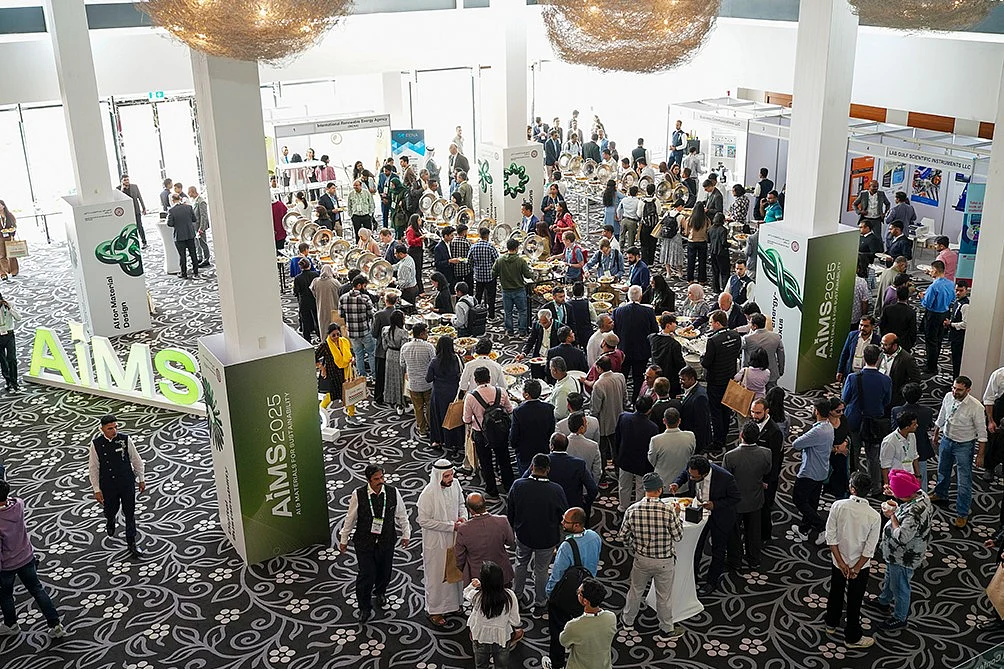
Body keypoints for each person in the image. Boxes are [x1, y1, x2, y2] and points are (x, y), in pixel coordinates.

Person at [338, 464, 411, 623]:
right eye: (376, 479)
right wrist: (344, 539)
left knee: (385, 571)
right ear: (369, 480)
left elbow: (402, 515)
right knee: (366, 574)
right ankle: (364, 607)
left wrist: (406, 534)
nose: (380, 481)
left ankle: (380, 591)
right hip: (364, 542)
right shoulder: (358, 495)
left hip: (386, 540)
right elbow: (350, 519)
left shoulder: (393, 492)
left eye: (382, 477)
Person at [618, 472, 686, 641]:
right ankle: (666, 629)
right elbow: (678, 536)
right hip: (664, 561)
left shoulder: (632, 509)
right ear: (660, 489)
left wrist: (634, 547)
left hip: (641, 559)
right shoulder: (668, 510)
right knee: (664, 597)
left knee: (635, 591)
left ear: (645, 489)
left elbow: (623, 536)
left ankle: (628, 621)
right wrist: (677, 515)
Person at [0, 479, 65, 637]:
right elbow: (15, 499)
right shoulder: (18, 505)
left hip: (6, 565)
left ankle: (11, 624)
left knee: (5, 595)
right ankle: (55, 624)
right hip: (26, 556)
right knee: (37, 589)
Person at [824, 471, 881, 649]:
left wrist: (841, 563)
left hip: (838, 560)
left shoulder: (838, 506)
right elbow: (870, 548)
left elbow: (830, 537)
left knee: (836, 591)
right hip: (860, 566)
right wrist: (856, 568)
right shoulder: (874, 516)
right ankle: (852, 637)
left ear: (852, 489)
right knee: (855, 600)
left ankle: (831, 623)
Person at [670, 455, 741, 595]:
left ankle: (711, 582)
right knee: (696, 546)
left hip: (720, 516)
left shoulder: (725, 477)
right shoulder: (692, 467)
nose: (691, 478)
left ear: (704, 473)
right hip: (698, 512)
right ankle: (692, 578)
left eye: (694, 477)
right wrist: (677, 483)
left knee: (718, 550)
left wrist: (715, 504)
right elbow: (684, 474)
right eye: (691, 475)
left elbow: (735, 497)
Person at [507, 454, 567, 616]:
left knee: (520, 564)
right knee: (541, 570)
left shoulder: (518, 485)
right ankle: (540, 602)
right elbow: (563, 515)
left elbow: (510, 510)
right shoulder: (556, 490)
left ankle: (517, 596)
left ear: (532, 467)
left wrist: (514, 528)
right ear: (548, 470)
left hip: (524, 534)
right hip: (547, 538)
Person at [873, 470, 932, 631]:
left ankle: (900, 617)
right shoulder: (921, 495)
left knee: (900, 586)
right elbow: (907, 496)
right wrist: (894, 492)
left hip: (903, 555)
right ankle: (884, 601)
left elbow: (901, 537)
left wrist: (892, 515)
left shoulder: (913, 513)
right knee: (890, 576)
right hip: (895, 554)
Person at [930, 375, 987, 528]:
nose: (955, 391)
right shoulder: (949, 396)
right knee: (942, 470)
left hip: (964, 445)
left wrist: (980, 455)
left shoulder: (976, 407)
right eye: (954, 388)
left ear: (968, 390)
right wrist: (936, 432)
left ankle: (962, 513)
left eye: (959, 390)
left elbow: (982, 433)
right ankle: (941, 493)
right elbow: (942, 414)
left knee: (964, 480)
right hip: (947, 439)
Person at [417, 460, 467, 627]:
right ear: (438, 476)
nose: (450, 478)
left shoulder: (455, 484)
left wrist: (463, 517)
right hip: (436, 542)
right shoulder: (428, 494)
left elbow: (461, 504)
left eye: (451, 474)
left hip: (455, 537)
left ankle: (454, 604)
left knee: (455, 570)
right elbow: (423, 521)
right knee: (437, 576)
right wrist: (450, 526)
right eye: (446, 476)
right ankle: (435, 610)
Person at [89, 415, 146, 558]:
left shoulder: (125, 440)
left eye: (116, 427)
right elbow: (94, 468)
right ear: (102, 429)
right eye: (110, 428)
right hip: (108, 484)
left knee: (130, 513)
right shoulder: (96, 444)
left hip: (126, 482)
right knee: (110, 509)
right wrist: (96, 489)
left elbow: (136, 460)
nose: (114, 431)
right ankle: (110, 520)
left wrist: (141, 479)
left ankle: (131, 542)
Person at [842, 344, 892, 495]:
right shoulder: (886, 380)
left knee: (853, 454)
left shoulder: (852, 378)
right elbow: (887, 401)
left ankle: (852, 484)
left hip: (854, 421)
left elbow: (845, 399)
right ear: (878, 359)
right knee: (873, 457)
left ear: (864, 358)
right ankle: (876, 487)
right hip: (874, 423)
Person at [723, 422, 772, 572]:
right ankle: (754, 559)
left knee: (734, 533)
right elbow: (767, 471)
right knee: (754, 532)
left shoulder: (730, 456)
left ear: (741, 435)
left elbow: (726, 479)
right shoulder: (766, 453)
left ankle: (735, 561)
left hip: (736, 501)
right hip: (755, 499)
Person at [790, 399, 837, 545]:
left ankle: (821, 526)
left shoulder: (817, 431)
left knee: (798, 500)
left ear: (816, 411)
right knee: (812, 501)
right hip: (821, 470)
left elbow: (796, 444)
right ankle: (804, 529)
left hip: (809, 471)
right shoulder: (829, 427)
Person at [464, 367, 515, 500]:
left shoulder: (471, 397)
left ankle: (492, 491)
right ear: (490, 378)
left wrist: (477, 417)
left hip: (481, 434)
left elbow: (467, 419)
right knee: (504, 459)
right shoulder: (501, 391)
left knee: (486, 462)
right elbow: (510, 410)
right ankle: (509, 485)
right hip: (500, 431)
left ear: (475, 380)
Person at [465, 561, 522, 669]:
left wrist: (472, 585)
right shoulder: (509, 596)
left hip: (480, 637)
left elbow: (466, 592)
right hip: (502, 637)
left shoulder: (477, 596)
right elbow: (515, 621)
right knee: (501, 666)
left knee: (481, 666)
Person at [701, 310, 743, 451]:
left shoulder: (713, 340)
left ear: (718, 323)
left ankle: (718, 441)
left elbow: (706, 363)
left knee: (716, 411)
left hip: (716, 381)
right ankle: (725, 433)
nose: (710, 325)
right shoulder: (736, 336)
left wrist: (702, 357)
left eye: (711, 322)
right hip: (730, 378)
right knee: (726, 408)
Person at [455, 493, 515, 586]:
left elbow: (459, 557)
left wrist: (464, 570)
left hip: (477, 576)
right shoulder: (503, 521)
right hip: (501, 573)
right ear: (485, 503)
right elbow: (510, 541)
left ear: (470, 510)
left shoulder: (463, 529)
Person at [613, 285, 658, 403]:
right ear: (641, 297)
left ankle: (620, 399)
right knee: (639, 378)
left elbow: (615, 331)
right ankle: (635, 401)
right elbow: (654, 331)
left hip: (624, 350)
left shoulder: (617, 311)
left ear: (628, 296)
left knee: (622, 376)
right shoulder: (648, 311)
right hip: (642, 351)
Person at [748, 398, 784, 544]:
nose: (754, 415)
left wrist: (768, 481)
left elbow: (776, 460)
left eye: (758, 413)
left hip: (766, 478)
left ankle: (765, 536)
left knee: (764, 508)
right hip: (752, 473)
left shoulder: (775, 432)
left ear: (766, 411)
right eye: (752, 412)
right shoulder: (752, 423)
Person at [615, 395, 658, 511]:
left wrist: (617, 455)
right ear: (649, 410)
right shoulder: (653, 427)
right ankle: (638, 509)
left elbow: (617, 438)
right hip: (642, 462)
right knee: (640, 488)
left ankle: (623, 507)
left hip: (625, 457)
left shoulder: (623, 417)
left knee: (624, 485)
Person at [892, 383, 935, 492]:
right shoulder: (927, 411)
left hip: (900, 449)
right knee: (921, 476)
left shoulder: (896, 410)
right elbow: (929, 426)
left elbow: (893, 428)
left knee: (901, 478)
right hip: (921, 447)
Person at [590, 356, 627, 482]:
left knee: (602, 450)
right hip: (619, 418)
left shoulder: (599, 384)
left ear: (599, 368)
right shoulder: (620, 377)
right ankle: (619, 472)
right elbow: (625, 398)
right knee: (617, 448)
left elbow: (595, 409)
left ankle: (602, 477)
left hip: (604, 423)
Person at [316, 323, 359, 427]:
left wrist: (352, 359)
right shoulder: (325, 346)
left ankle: (351, 415)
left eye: (337, 334)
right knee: (329, 396)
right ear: (329, 334)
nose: (336, 337)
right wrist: (322, 367)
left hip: (346, 373)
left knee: (349, 394)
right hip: (333, 375)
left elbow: (350, 353)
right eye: (333, 335)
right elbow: (314, 356)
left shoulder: (344, 341)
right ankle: (318, 415)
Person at [510, 379, 556, 474]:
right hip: (544, 450)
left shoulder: (518, 412)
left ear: (526, 394)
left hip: (525, 453)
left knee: (525, 478)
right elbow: (551, 432)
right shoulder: (549, 408)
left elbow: (514, 436)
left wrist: (515, 446)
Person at [647, 407, 696, 494]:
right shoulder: (690, 436)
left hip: (663, 484)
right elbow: (691, 455)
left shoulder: (656, 440)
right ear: (679, 421)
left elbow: (652, 461)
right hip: (684, 484)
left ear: (664, 421)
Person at [919, 260, 955, 373]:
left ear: (935, 270)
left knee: (931, 341)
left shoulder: (934, 286)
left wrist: (922, 298)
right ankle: (933, 361)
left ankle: (931, 366)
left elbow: (927, 304)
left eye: (931, 270)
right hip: (945, 313)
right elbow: (953, 298)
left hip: (933, 315)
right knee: (939, 339)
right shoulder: (951, 284)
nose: (930, 272)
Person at [493, 238, 535, 336]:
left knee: (508, 312)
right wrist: (532, 273)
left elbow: (493, 273)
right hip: (519, 289)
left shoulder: (500, 260)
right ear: (516, 248)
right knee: (522, 311)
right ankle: (522, 330)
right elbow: (528, 275)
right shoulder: (521, 261)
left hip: (506, 290)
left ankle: (510, 330)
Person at [402, 322, 436, 438]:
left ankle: (422, 430)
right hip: (427, 383)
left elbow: (402, 363)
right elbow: (433, 362)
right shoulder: (429, 347)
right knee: (429, 407)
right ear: (421, 334)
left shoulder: (405, 347)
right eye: (426, 332)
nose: (427, 334)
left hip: (413, 383)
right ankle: (432, 427)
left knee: (418, 408)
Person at [339, 275, 376, 379]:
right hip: (365, 331)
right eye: (364, 286)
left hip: (351, 332)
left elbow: (341, 314)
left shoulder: (343, 298)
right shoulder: (365, 298)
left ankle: (362, 376)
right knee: (371, 353)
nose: (365, 288)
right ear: (359, 285)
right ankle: (374, 376)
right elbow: (371, 314)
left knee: (358, 355)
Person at [879, 333, 922, 412]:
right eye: (881, 344)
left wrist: (902, 391)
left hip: (894, 397)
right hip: (880, 392)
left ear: (894, 345)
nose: (882, 347)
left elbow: (916, 379)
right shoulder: (882, 353)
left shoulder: (907, 359)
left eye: (885, 345)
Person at [466, 227, 500, 321]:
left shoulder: (473, 247)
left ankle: (476, 315)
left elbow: (469, 261)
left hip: (478, 276)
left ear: (479, 235)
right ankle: (491, 315)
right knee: (491, 297)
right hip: (490, 276)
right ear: (487, 236)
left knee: (478, 296)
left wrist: (475, 268)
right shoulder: (490, 247)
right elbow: (497, 260)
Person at [742, 313, 784, 386]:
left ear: (755, 326)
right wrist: (781, 370)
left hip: (753, 376)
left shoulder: (747, 339)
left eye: (750, 323)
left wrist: (743, 371)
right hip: (772, 373)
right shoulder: (776, 337)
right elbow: (781, 356)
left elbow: (743, 357)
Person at [648, 314, 685, 396]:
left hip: (656, 373)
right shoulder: (674, 344)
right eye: (674, 323)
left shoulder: (652, 338)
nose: (676, 325)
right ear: (668, 325)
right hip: (670, 377)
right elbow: (680, 363)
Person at [836, 315, 880, 382]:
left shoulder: (877, 340)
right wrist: (840, 371)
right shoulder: (852, 335)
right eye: (861, 325)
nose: (862, 328)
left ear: (872, 327)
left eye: (866, 326)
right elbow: (844, 354)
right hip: (850, 373)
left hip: (866, 376)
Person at [679, 366, 712, 454]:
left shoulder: (700, 397)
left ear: (692, 379)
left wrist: (695, 443)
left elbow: (701, 424)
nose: (680, 382)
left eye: (683, 379)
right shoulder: (691, 389)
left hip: (695, 439)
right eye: (680, 379)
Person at [881, 411, 920, 486]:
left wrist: (918, 476)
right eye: (914, 424)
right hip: (896, 479)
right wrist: (887, 484)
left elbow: (915, 456)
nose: (917, 425)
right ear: (907, 427)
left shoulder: (912, 436)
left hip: (910, 476)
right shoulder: (889, 442)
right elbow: (885, 466)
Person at [381, 311, 409, 416]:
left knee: (391, 377)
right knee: (400, 379)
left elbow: (384, 346)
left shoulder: (385, 330)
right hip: (399, 355)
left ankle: (392, 398)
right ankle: (401, 403)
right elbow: (404, 348)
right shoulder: (403, 332)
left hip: (389, 354)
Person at [166, 193, 199, 279]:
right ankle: (196, 271)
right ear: (180, 199)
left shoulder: (171, 210)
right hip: (190, 234)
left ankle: (184, 273)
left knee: (182, 255)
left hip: (179, 236)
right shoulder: (189, 207)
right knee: (193, 253)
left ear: (172, 200)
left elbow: (169, 224)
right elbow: (194, 219)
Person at [564, 411, 603, 484]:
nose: (587, 425)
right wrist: (593, 486)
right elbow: (597, 472)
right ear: (581, 428)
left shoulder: (563, 444)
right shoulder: (593, 446)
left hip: (567, 484)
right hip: (586, 485)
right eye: (586, 424)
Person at [880, 286, 918, 352]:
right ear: (908, 296)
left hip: (888, 342)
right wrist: (910, 344)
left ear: (897, 296)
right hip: (904, 344)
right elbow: (913, 331)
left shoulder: (887, 309)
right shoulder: (911, 312)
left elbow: (882, 325)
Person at [293, 258, 320, 342]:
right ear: (310, 265)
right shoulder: (315, 274)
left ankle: (307, 339)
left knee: (305, 321)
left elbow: (296, 291)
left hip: (304, 301)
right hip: (314, 300)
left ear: (300, 267)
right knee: (317, 318)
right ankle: (320, 335)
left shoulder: (298, 278)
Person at [117, 174, 148, 249]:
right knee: (130, 228)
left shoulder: (134, 186)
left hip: (136, 210)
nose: (127, 181)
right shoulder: (118, 189)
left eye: (128, 179)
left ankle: (144, 242)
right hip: (127, 212)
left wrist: (143, 207)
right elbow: (119, 200)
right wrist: (122, 190)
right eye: (125, 180)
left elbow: (139, 197)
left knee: (139, 226)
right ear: (121, 181)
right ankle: (133, 243)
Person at [946, 282, 969, 379]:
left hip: (960, 337)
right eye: (956, 290)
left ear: (966, 291)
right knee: (955, 359)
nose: (958, 293)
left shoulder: (965, 306)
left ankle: (957, 379)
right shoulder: (957, 301)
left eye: (961, 290)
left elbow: (965, 324)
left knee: (957, 360)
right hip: (954, 335)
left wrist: (951, 324)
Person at [684, 201, 709, 283]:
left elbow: (686, 232)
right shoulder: (706, 219)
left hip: (692, 241)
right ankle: (702, 280)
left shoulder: (690, 219)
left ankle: (690, 279)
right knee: (702, 262)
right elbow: (708, 230)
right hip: (702, 241)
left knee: (691, 261)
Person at [0, 295, 21, 394]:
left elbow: (18, 318)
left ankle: (15, 382)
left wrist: (10, 309)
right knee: (2, 361)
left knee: (12, 359)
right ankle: (8, 380)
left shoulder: (10, 304)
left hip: (9, 334)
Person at [187, 185, 210, 267]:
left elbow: (204, 216)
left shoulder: (201, 201)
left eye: (189, 192)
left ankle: (206, 259)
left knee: (203, 243)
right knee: (197, 243)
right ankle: (200, 257)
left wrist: (201, 228)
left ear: (193, 192)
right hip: (195, 226)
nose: (188, 194)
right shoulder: (194, 201)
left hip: (200, 226)